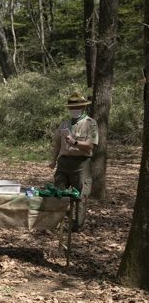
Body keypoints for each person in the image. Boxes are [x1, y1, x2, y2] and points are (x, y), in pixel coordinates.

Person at [49, 92, 98, 232]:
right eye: (71, 108)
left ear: (83, 108)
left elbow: (90, 145)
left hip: (81, 163)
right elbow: (57, 143)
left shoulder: (90, 123)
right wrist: (53, 160)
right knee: (58, 191)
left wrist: (75, 142)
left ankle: (78, 226)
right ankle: (57, 221)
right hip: (64, 162)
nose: (73, 110)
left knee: (81, 196)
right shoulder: (65, 123)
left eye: (77, 107)